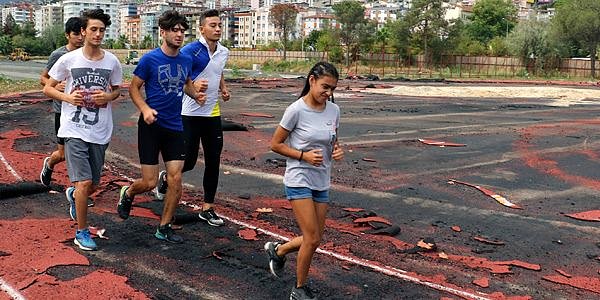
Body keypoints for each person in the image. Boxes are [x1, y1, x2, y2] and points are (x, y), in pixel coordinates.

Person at [116, 10, 206, 243]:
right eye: (174, 30)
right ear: (163, 32)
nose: (179, 35)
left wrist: (195, 94)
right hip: (151, 126)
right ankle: (128, 192)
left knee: (175, 178)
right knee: (149, 182)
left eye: (182, 31)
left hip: (175, 126)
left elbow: (185, 82)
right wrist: (145, 109)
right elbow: (134, 88)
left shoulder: (187, 59)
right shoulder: (149, 59)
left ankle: (164, 227)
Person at [43, 9, 123, 251]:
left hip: (100, 130)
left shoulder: (112, 61)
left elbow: (117, 91)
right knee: (85, 182)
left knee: (93, 184)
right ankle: (81, 231)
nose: (98, 34)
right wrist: (67, 98)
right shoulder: (69, 59)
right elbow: (48, 87)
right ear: (83, 32)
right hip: (74, 129)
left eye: (102, 30)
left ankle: (74, 193)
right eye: (93, 30)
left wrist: (107, 96)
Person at [264, 62, 344, 300]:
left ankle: (279, 250)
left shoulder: (334, 110)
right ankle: (298, 289)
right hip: (299, 177)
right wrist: (303, 156)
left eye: (332, 89)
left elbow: (333, 140)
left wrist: (338, 150)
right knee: (310, 237)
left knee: (316, 238)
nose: (328, 93)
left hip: (322, 179)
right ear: (311, 81)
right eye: (325, 87)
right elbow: (275, 144)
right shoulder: (295, 110)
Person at [155, 9, 230, 227]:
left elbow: (218, 71)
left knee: (213, 161)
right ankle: (164, 178)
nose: (217, 29)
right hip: (188, 114)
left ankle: (208, 208)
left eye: (219, 25)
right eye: (213, 25)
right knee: (186, 161)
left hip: (212, 114)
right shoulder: (189, 51)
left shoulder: (223, 52)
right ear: (201, 28)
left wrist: (224, 89)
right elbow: (179, 74)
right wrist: (193, 87)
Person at [39, 17, 84, 191]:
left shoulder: (88, 55)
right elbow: (43, 78)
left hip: (83, 112)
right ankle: (49, 163)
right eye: (75, 34)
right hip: (62, 111)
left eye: (81, 33)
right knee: (64, 154)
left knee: (80, 152)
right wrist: (56, 86)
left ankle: (78, 191)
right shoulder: (58, 55)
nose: (80, 38)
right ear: (67, 35)